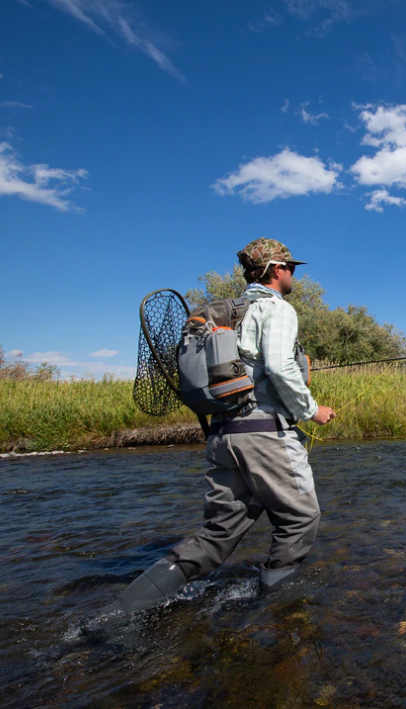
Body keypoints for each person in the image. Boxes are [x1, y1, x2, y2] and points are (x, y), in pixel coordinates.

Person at [101, 238, 336, 615]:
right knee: (300, 518)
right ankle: (277, 613)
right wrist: (311, 410)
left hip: (223, 436)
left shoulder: (231, 315)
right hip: (264, 437)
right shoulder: (276, 309)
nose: (294, 274)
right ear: (276, 269)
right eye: (291, 267)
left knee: (217, 535)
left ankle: (116, 615)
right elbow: (278, 366)